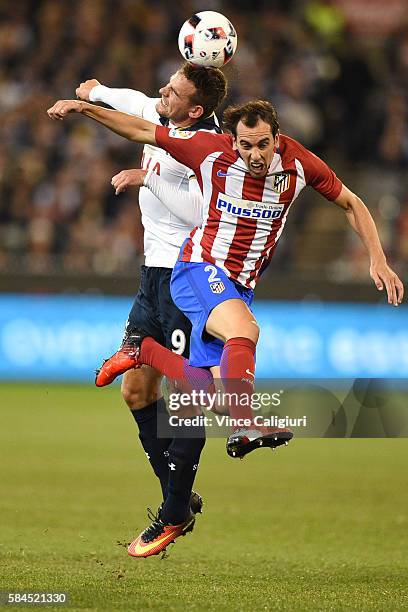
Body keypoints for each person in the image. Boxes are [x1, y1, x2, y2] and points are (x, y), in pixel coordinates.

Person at [47, 97, 404, 556]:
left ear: (277, 138)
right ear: (232, 141)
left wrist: (378, 257)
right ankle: (246, 423)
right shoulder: (208, 150)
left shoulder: (298, 164)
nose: (255, 155)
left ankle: (147, 357)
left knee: (205, 397)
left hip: (238, 286)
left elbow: (352, 203)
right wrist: (84, 107)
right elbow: (139, 130)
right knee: (246, 332)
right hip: (198, 270)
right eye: (246, 145)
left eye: (263, 145)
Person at [73, 64, 227, 558]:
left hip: (188, 278)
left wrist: (148, 177)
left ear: (196, 109)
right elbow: (135, 102)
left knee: (187, 397)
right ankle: (179, 499)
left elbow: (201, 212)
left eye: (175, 91)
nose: (164, 92)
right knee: (136, 390)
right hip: (151, 275)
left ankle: (174, 509)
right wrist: (93, 92)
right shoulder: (166, 117)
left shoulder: (210, 147)